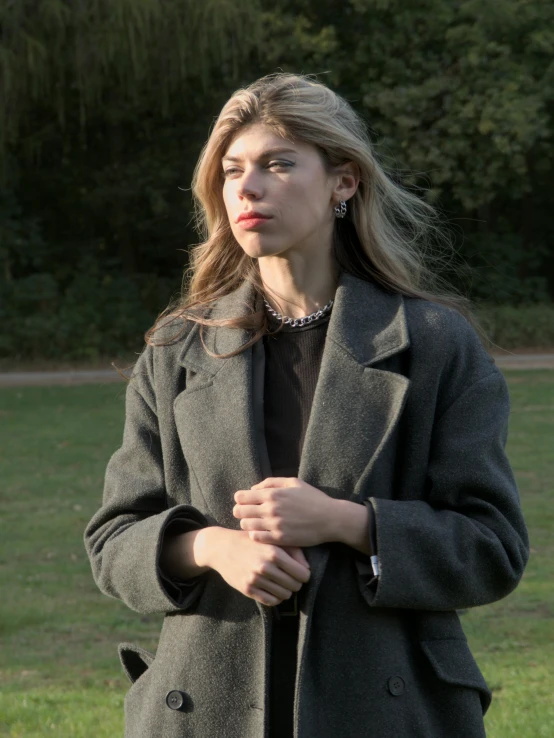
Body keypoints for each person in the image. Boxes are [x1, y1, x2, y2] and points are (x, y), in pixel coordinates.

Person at [84, 73, 529, 738]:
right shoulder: (176, 349)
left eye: (278, 163)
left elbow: (492, 547)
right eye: (232, 170)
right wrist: (210, 547)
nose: (248, 187)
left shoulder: (436, 345)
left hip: (388, 711)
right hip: (205, 712)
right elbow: (113, 541)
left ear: (344, 182)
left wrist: (350, 523)